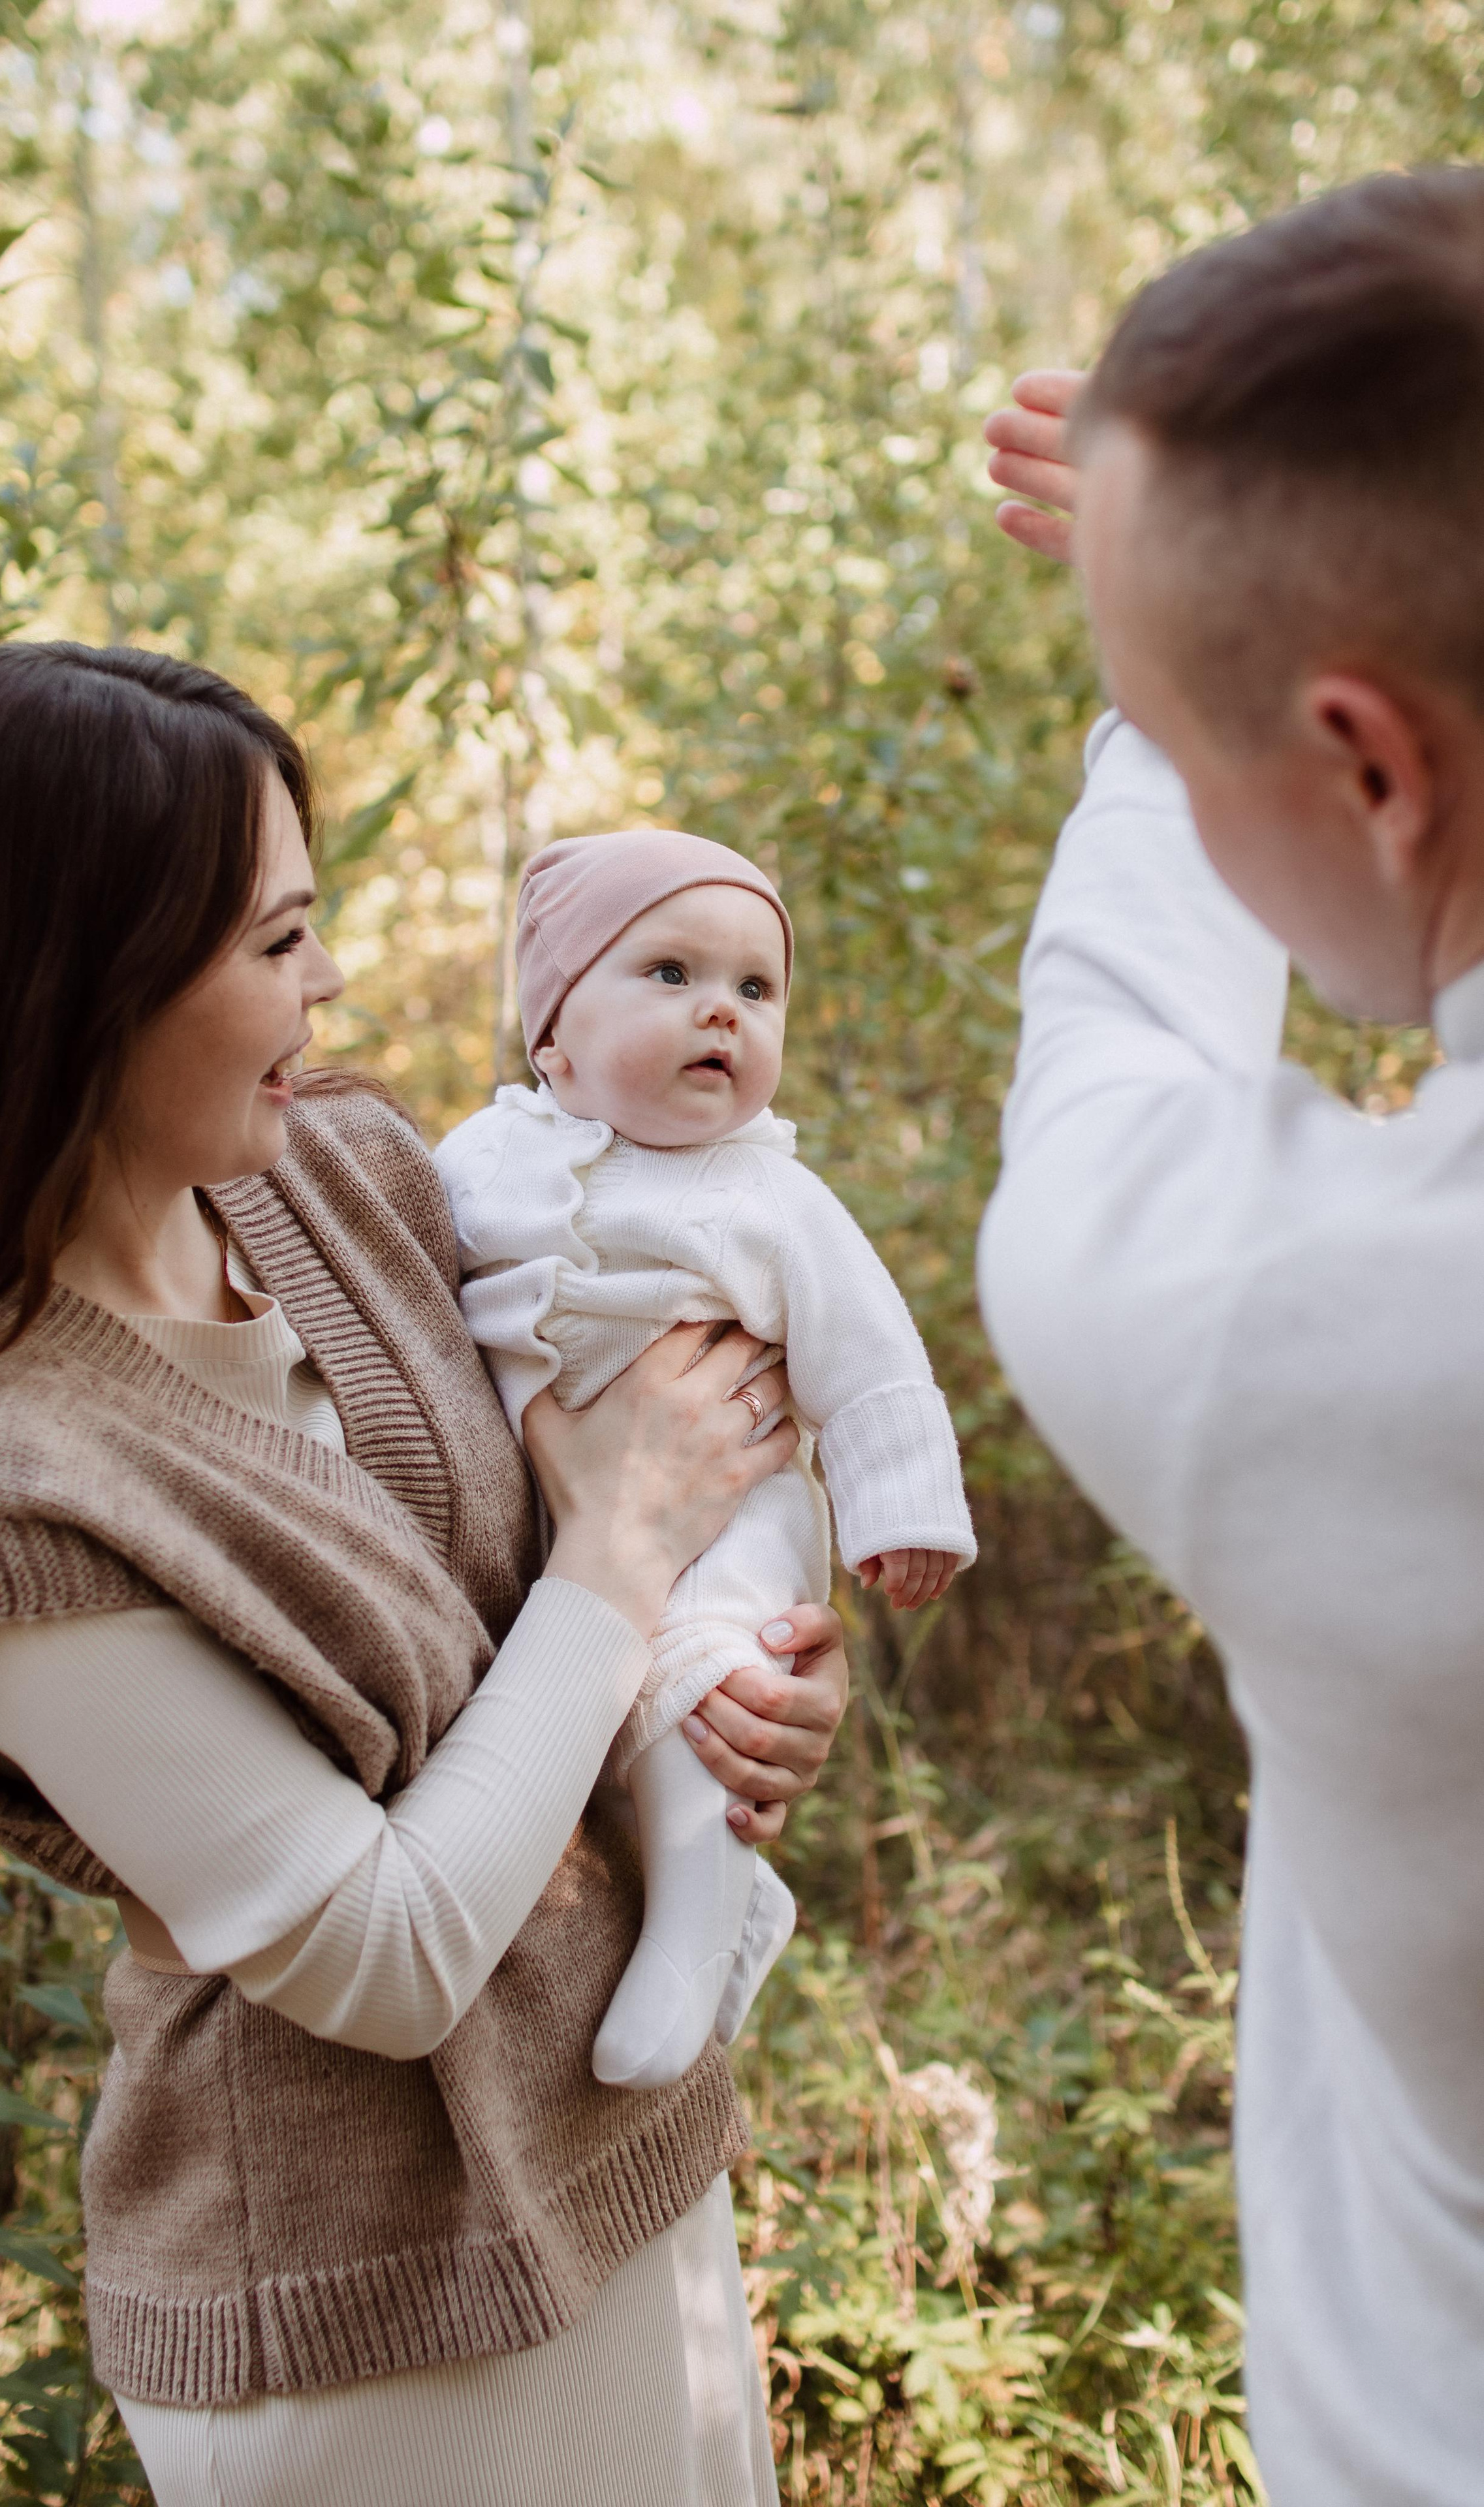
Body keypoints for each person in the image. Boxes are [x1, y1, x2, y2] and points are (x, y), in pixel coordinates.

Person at [0, 640, 854, 2507]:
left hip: (631, 2171)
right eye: (279, 943)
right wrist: (622, 1562)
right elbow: (382, 1955)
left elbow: (606, 1515)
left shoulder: (347, 1175)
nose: (337, 984)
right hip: (363, 2322)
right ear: (85, 986)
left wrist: (744, 1657)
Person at [977, 170, 1484, 2505]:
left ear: (1374, 767)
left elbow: (1115, 1055)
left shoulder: (1316, 1330)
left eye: (1206, 754)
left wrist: (1158, 662)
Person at [435, 828, 975, 2089]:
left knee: (706, 1687)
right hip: (551, 1522)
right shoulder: (475, 1160)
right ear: (553, 1036)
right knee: (571, 1712)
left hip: (731, 1515)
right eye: (669, 974)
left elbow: (870, 1355)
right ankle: (717, 1911)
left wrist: (902, 1507)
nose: (719, 1012)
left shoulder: (769, 1197)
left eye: (755, 988)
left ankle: (695, 1928)